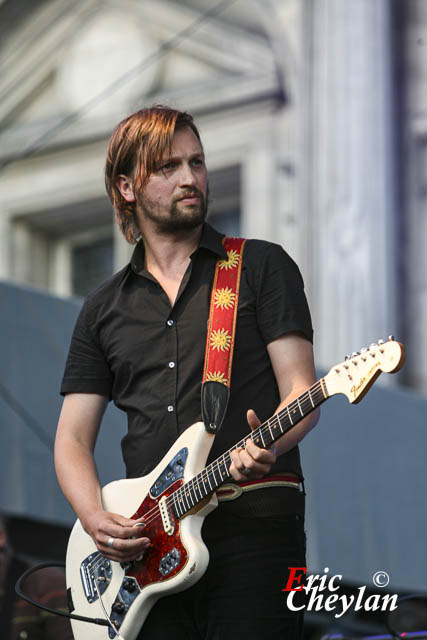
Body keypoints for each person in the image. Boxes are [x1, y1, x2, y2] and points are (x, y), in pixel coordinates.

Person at [55, 105, 319, 640]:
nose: (190, 177)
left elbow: (301, 391)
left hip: (255, 527)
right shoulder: (103, 307)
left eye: (196, 162)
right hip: (146, 550)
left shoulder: (261, 267)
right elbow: (72, 439)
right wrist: (94, 518)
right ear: (127, 187)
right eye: (168, 167)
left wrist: (264, 445)